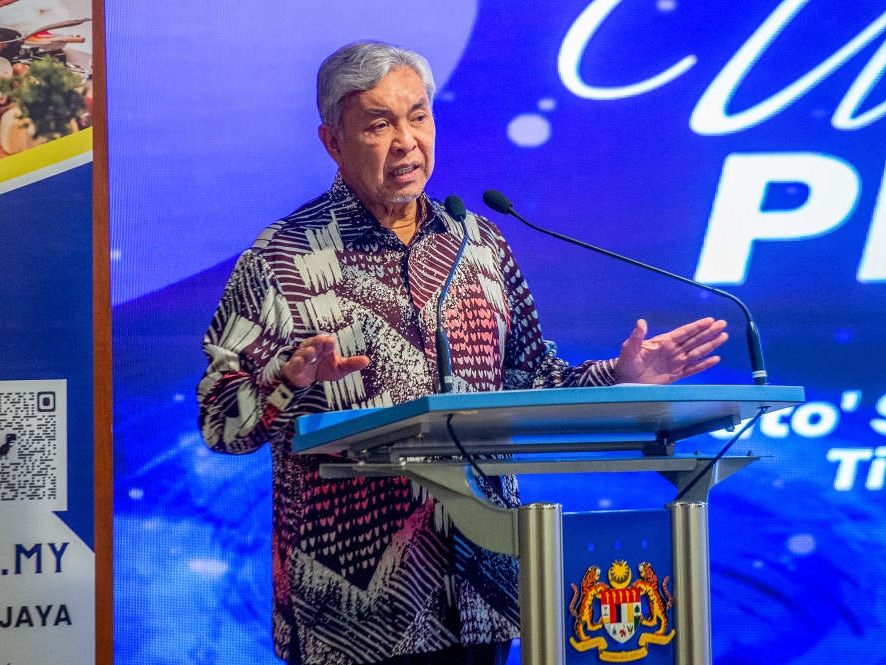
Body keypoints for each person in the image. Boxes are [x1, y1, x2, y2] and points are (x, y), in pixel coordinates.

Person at [197, 41, 728, 665]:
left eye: (417, 116)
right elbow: (218, 423)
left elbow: (531, 379)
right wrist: (288, 381)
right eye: (378, 124)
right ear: (333, 143)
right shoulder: (279, 258)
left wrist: (619, 376)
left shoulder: (478, 243)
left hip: (483, 596)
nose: (405, 141)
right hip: (355, 620)